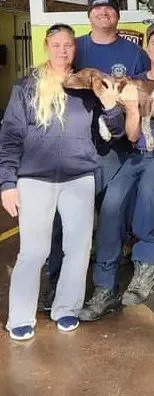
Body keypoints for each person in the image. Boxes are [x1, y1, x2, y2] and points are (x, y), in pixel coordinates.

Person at [0, 24, 122, 340]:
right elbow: (11, 137)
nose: (63, 51)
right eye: (56, 45)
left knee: (79, 249)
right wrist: (7, 183)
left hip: (79, 178)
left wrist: (111, 108)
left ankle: (66, 309)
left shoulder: (88, 86)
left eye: (68, 45)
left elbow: (113, 133)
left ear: (73, 49)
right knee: (33, 251)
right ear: (47, 46)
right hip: (34, 179)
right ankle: (20, 317)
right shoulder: (27, 87)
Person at [41, 0, 150, 311]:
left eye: (110, 9)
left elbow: (140, 97)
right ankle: (55, 283)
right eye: (98, 8)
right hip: (74, 145)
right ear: (89, 15)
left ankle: (105, 287)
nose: (104, 13)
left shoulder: (134, 54)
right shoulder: (77, 47)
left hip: (114, 148)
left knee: (111, 218)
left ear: (117, 14)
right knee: (63, 219)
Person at [80, 22, 154, 321]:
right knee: (112, 206)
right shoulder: (133, 83)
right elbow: (133, 137)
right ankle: (104, 290)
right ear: (147, 49)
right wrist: (134, 111)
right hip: (138, 153)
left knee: (150, 191)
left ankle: (146, 265)